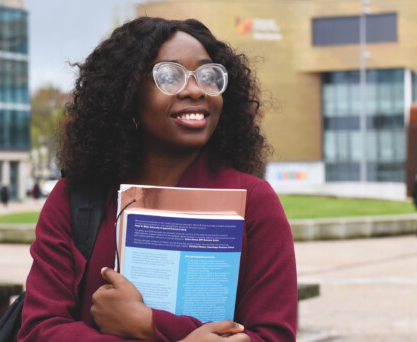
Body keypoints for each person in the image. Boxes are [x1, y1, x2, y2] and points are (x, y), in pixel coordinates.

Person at [18, 17, 296, 341]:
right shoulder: (74, 199)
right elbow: (39, 331)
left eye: (208, 75)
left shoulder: (255, 201)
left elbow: (273, 335)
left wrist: (147, 324)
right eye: (169, 75)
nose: (195, 90)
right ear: (128, 93)